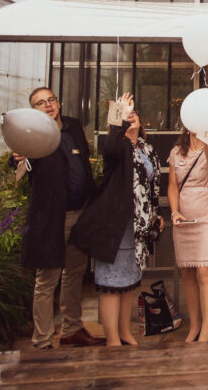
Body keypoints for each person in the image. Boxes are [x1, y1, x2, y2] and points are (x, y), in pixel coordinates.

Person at [11, 87, 103, 349]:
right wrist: (17, 157)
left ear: (59, 103)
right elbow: (18, 159)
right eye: (41, 103)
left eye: (50, 100)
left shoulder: (73, 127)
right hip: (52, 219)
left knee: (74, 273)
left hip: (80, 212)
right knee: (47, 278)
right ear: (34, 111)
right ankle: (41, 339)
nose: (48, 105)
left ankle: (72, 329)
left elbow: (82, 163)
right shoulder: (32, 136)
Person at [71, 93, 162, 346]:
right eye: (127, 116)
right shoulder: (116, 146)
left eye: (134, 114)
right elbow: (109, 149)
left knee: (130, 282)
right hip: (115, 225)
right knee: (112, 284)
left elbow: (153, 186)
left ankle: (125, 332)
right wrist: (120, 118)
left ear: (142, 123)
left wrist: (156, 214)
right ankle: (112, 338)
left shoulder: (147, 149)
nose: (131, 118)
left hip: (139, 228)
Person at [167, 125, 208, 342]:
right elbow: (172, 186)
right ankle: (194, 325)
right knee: (187, 273)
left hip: (207, 216)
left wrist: (206, 136)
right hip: (183, 217)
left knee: (204, 273)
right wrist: (174, 211)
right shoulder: (176, 152)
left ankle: (206, 330)